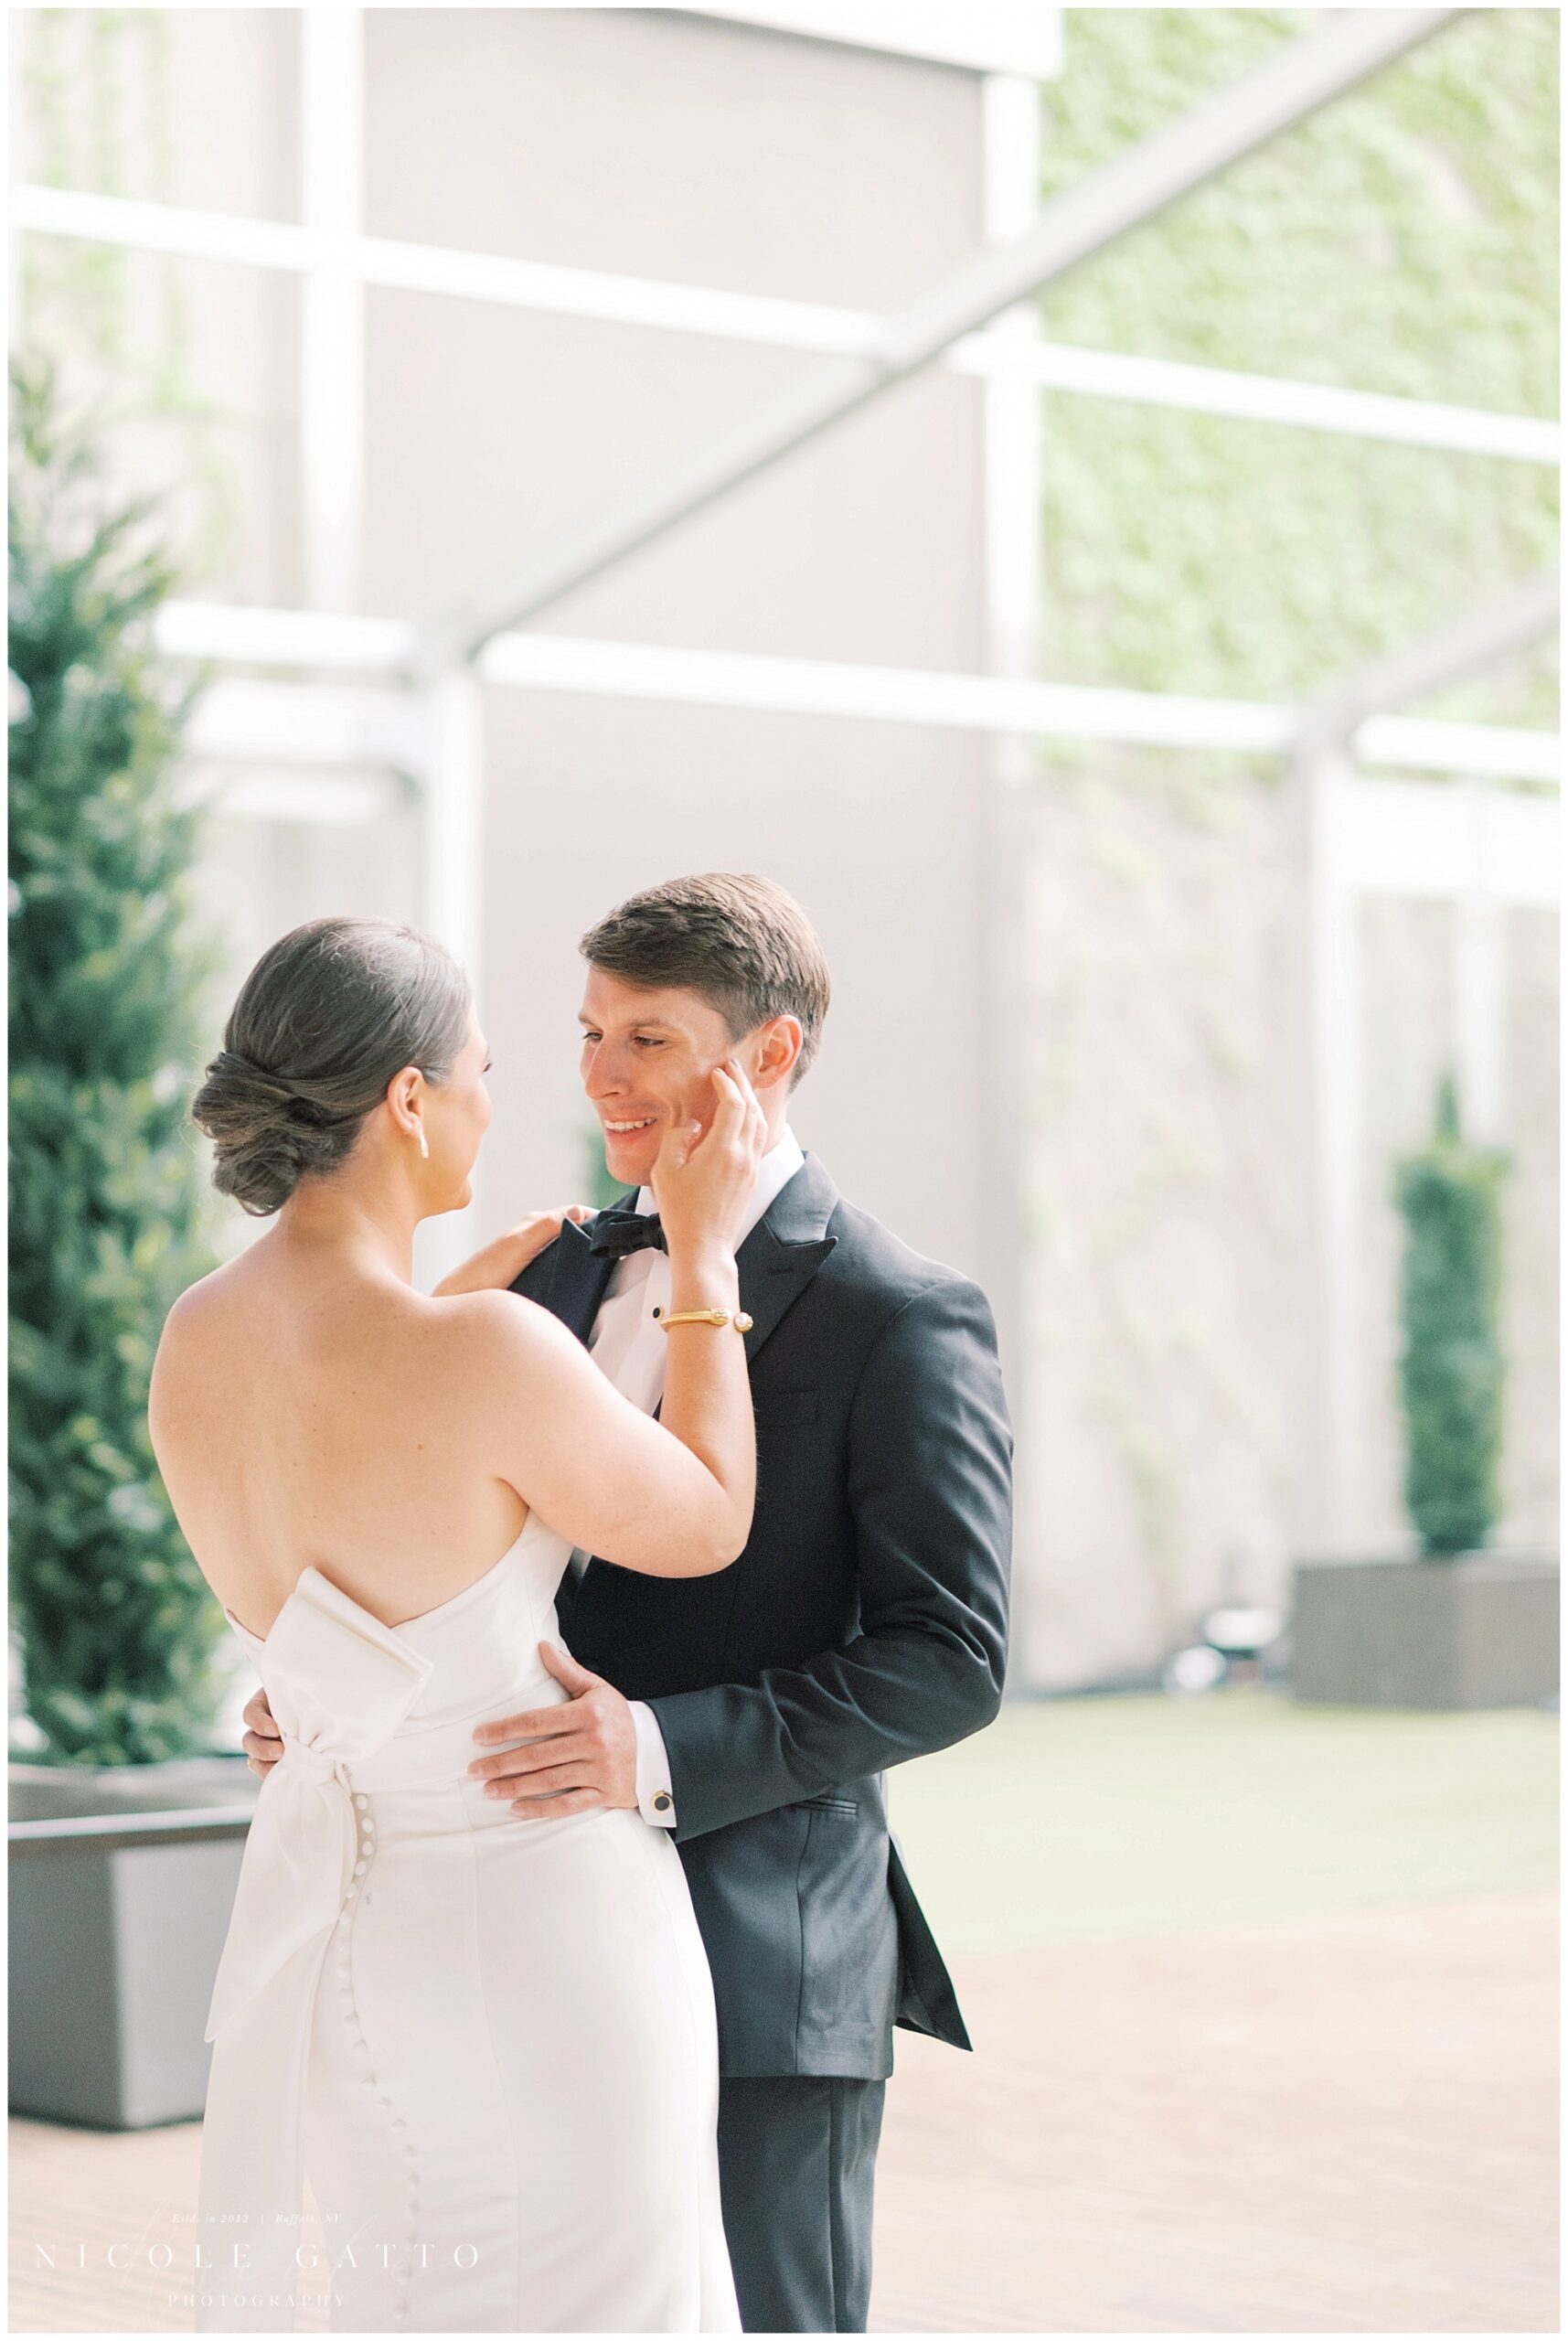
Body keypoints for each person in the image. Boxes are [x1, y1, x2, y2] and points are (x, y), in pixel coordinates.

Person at [244, 871, 1014, 2335]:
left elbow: (951, 1657)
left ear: (768, 1056)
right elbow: (440, 1553)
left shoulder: (901, 1314)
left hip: (760, 1964)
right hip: (505, 1962)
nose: (601, 1076)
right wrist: (324, 1695)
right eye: (591, 1033)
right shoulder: (538, 1279)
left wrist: (654, 1750)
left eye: (648, 1040)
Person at [149, 912, 766, 2334]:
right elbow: (706, 1522)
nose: (497, 1100)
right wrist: (706, 1261)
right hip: (554, 1940)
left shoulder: (196, 1339)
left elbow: (344, 1579)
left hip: (357, 1964)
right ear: (410, 1099)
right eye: (482, 1068)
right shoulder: (481, 1349)